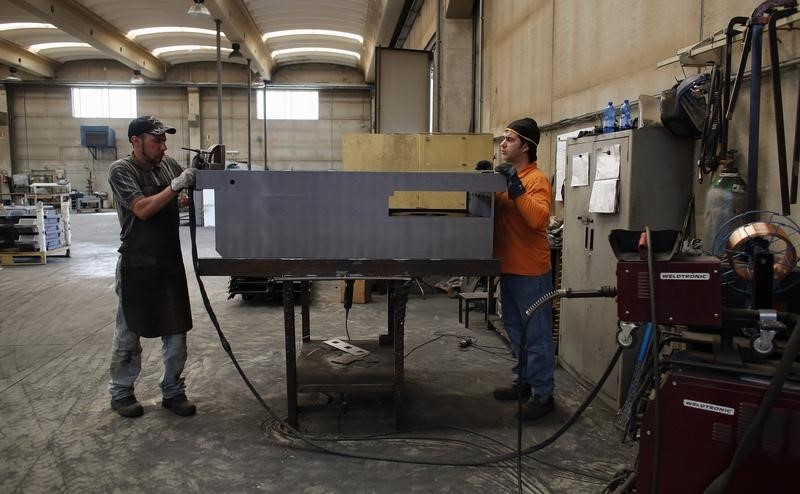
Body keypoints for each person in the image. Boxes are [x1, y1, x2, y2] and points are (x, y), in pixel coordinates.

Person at [107, 116, 197, 418]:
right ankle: (121, 392)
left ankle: (173, 390)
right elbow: (143, 209)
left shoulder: (167, 163)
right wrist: (176, 187)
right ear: (136, 141)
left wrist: (199, 178)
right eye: (157, 140)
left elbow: (178, 198)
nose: (163, 146)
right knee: (129, 332)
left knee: (176, 331)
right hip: (137, 263)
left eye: (164, 140)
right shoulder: (121, 170)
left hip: (168, 261)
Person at [492, 117, 555, 421]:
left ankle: (543, 395)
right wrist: (484, 181)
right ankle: (525, 382)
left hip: (531, 271)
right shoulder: (507, 179)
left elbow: (538, 219)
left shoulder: (535, 179)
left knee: (537, 335)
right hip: (509, 268)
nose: (503, 144)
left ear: (526, 146)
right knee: (516, 330)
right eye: (503, 139)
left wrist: (515, 187)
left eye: (510, 139)